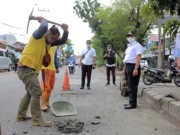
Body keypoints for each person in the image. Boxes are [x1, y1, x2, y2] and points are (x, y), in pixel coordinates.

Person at [16, 16, 68, 127]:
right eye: (53, 38)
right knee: (37, 92)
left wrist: (66, 31)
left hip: (30, 70)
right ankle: (37, 119)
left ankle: (21, 115)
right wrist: (42, 19)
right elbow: (44, 26)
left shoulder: (48, 43)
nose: (54, 41)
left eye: (55, 39)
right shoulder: (37, 36)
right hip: (25, 68)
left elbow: (63, 40)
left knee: (30, 93)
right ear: (48, 33)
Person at [122, 31, 143, 109]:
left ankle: (132, 104)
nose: (129, 37)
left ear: (134, 36)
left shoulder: (137, 46)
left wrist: (136, 68)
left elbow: (138, 57)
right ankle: (130, 102)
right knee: (129, 86)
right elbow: (126, 59)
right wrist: (124, 69)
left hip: (133, 66)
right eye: (128, 36)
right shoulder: (129, 47)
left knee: (132, 86)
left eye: (130, 36)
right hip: (127, 66)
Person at [41, 46, 59, 111]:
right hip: (45, 67)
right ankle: (43, 104)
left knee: (50, 87)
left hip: (52, 68)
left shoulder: (55, 46)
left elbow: (55, 57)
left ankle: (47, 102)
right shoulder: (44, 43)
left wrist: (57, 67)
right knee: (45, 87)